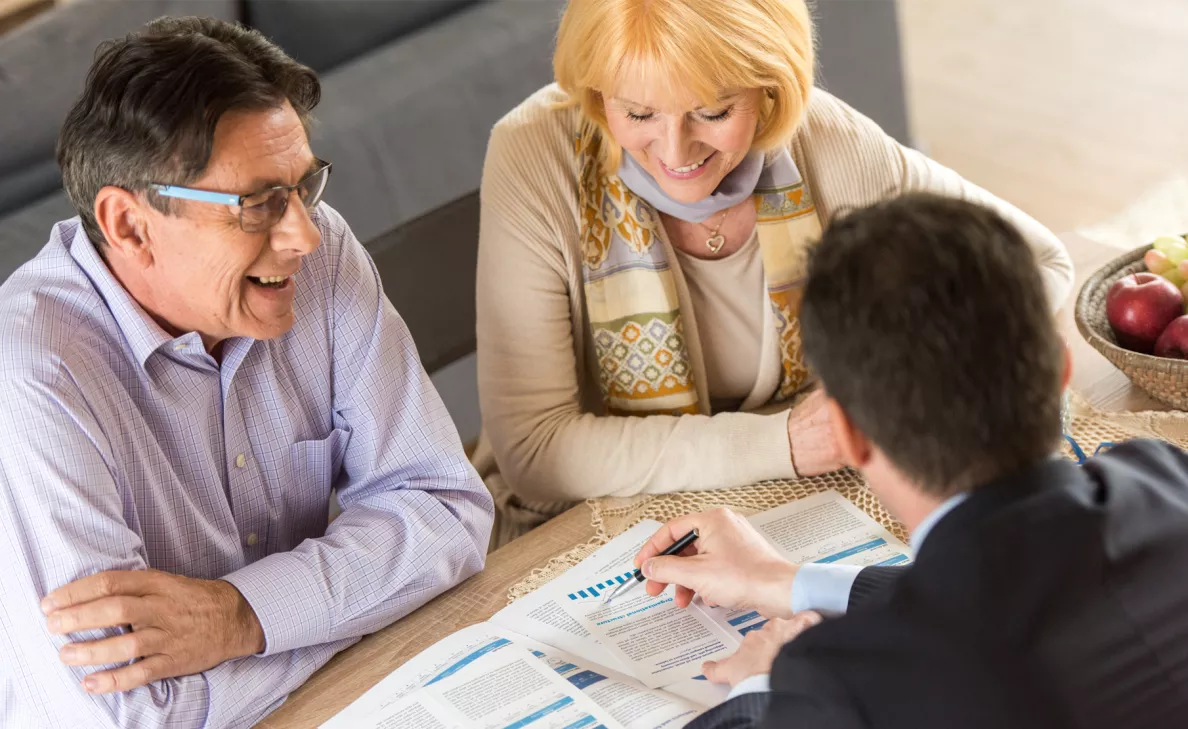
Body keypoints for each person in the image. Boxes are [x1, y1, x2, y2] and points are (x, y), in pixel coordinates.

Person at [0, 17, 493, 728]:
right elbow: (128, 716)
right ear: (130, 225)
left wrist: (242, 618)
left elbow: (447, 508)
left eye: (304, 186)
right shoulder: (32, 379)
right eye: (259, 204)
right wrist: (356, 607)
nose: (304, 235)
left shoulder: (320, 257)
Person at [473, 0, 1075, 546]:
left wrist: (891, 381)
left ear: (769, 89)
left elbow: (1039, 264)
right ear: (597, 92)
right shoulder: (533, 156)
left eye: (712, 112)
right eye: (639, 112)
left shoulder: (824, 139)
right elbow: (537, 450)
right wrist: (783, 441)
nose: (675, 153)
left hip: (807, 508)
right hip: (582, 530)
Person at [631, 194, 1188, 729]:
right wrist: (787, 581)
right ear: (1060, 375)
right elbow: (1019, 587)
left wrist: (764, 682)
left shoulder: (847, 685)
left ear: (847, 434)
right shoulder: (1165, 480)